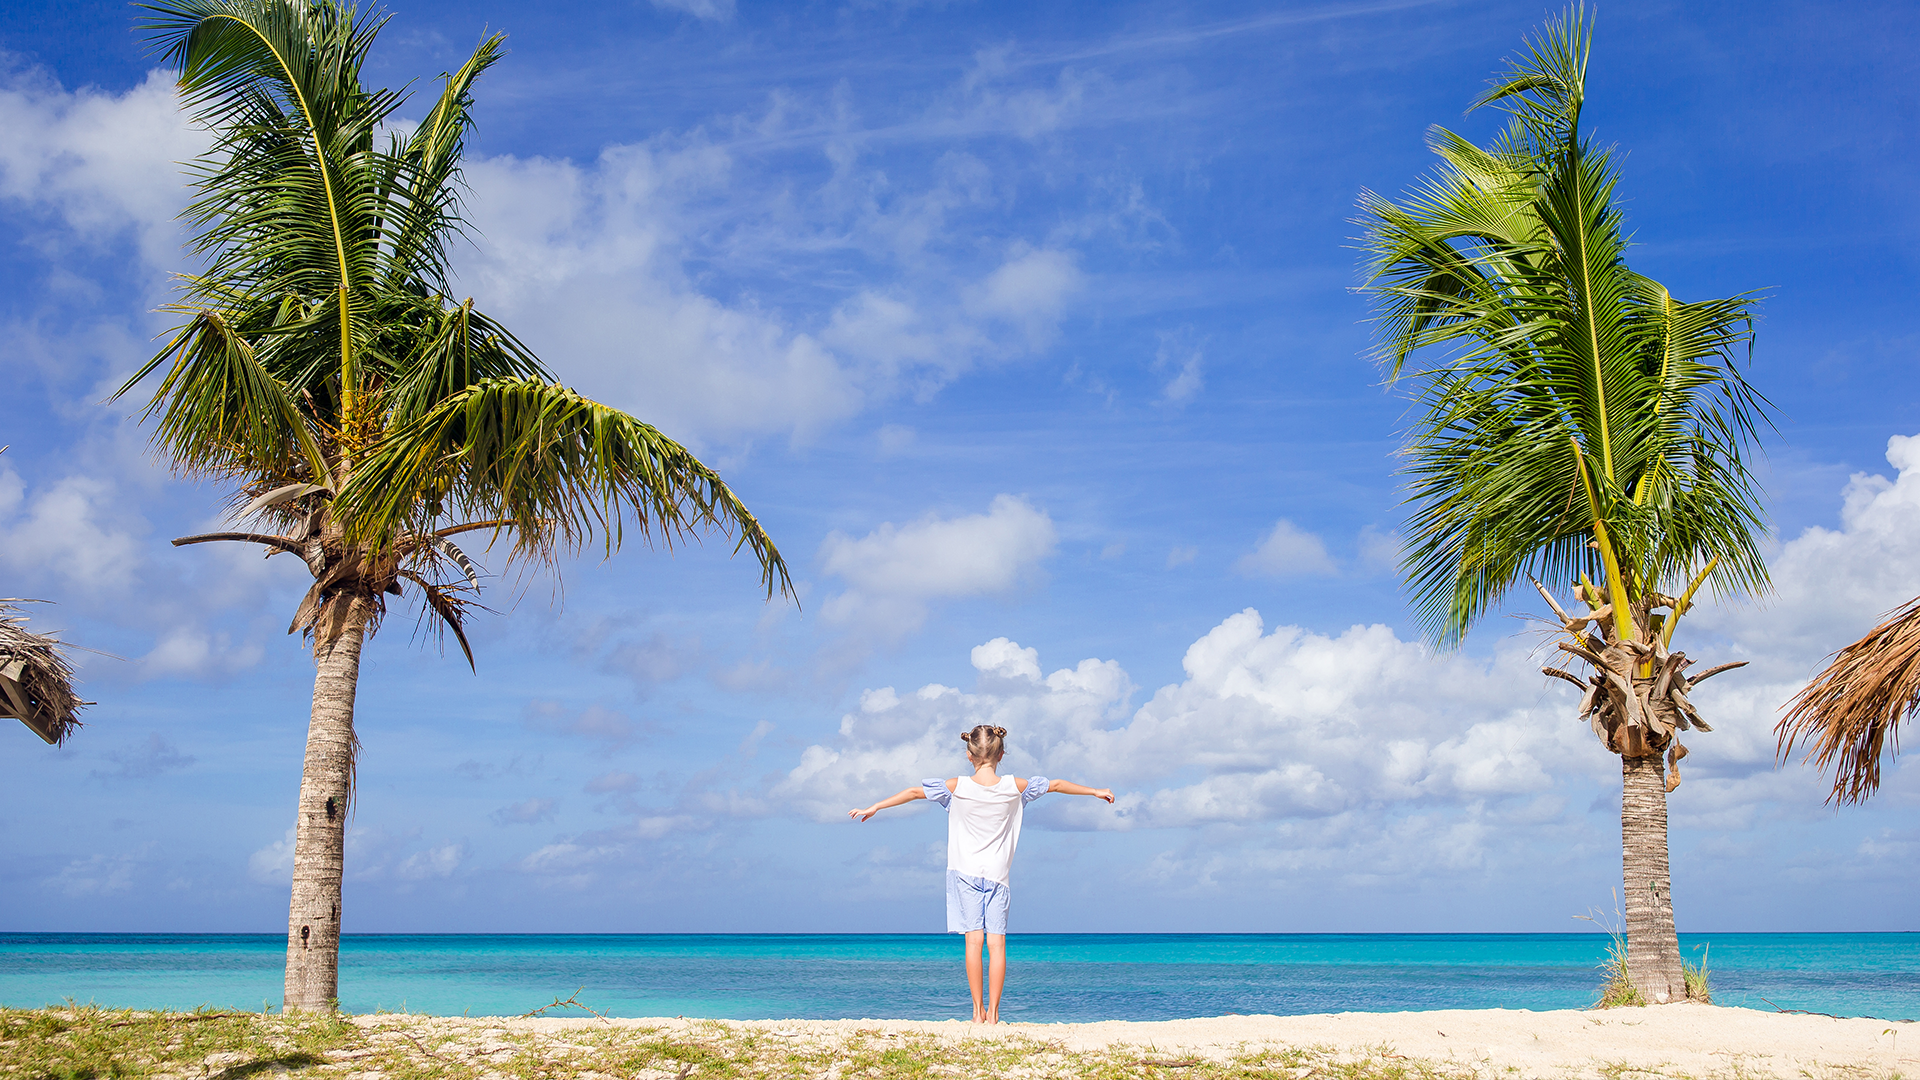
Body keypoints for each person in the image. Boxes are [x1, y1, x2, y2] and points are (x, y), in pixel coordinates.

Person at [848, 724, 1114, 1024]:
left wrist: (874, 807)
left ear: (969, 754)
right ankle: (995, 1015)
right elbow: (1057, 784)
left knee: (973, 942)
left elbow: (912, 792)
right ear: (1001, 754)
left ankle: (977, 1013)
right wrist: (1095, 791)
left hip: (965, 872)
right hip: (998, 875)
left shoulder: (957, 786)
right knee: (997, 944)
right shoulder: (1015, 786)